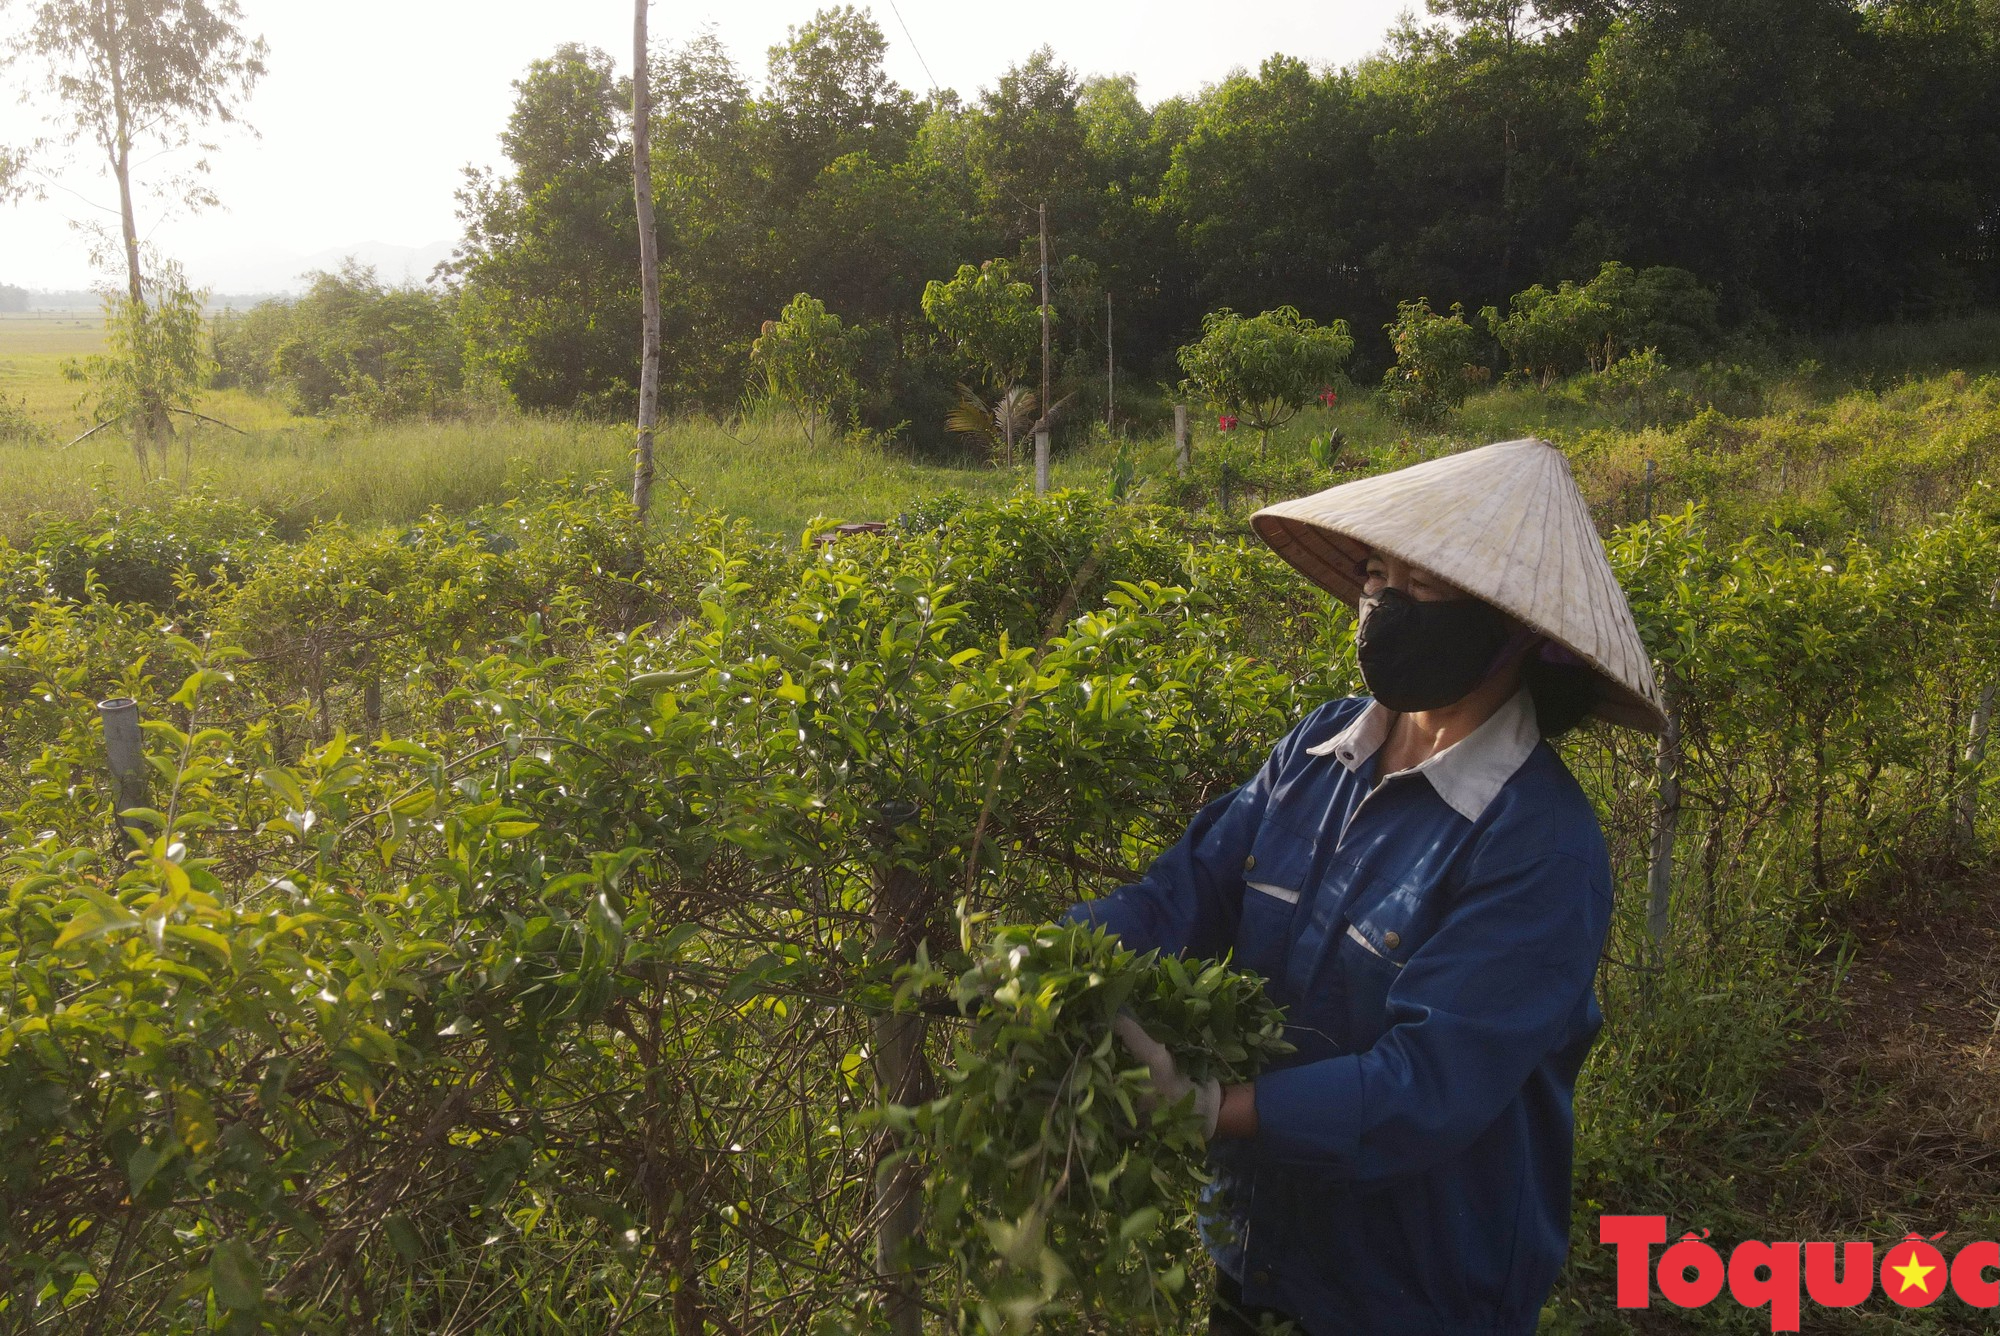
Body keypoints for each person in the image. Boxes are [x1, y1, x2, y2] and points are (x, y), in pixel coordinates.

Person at [1062, 438, 1667, 1335]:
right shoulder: (1321, 747)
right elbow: (1192, 888)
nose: (1383, 606)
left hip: (1413, 1282)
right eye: (1379, 577)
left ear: (1513, 629)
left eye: (1423, 589)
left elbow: (1429, 1083)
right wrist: (1060, 957)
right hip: (1258, 1242)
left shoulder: (1540, 846)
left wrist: (1209, 1109)